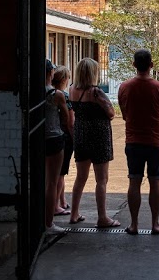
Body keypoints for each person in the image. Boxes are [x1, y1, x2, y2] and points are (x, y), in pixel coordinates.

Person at [117, 49, 159, 235]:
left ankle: (133, 224)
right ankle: (155, 223)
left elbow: (125, 114)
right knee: (155, 182)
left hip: (133, 140)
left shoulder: (125, 87)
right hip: (156, 140)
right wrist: (158, 127)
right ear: (151, 65)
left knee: (134, 180)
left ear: (134, 64)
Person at [68, 57, 120, 229]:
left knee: (80, 177)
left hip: (81, 134)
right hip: (98, 135)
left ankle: (74, 213)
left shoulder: (72, 90)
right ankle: (102, 217)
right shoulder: (96, 92)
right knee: (101, 179)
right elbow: (111, 113)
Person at [43, 59, 72, 235]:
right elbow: (66, 118)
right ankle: (48, 224)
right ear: (50, 73)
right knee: (52, 182)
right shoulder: (57, 94)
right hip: (54, 137)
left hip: (38, 138)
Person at [51, 65, 74, 216]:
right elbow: (69, 120)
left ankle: (62, 201)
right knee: (60, 173)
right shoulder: (64, 97)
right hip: (64, 136)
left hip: (51, 134)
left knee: (59, 172)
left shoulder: (48, 94)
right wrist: (74, 136)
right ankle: (55, 206)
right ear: (65, 79)